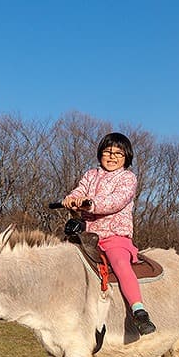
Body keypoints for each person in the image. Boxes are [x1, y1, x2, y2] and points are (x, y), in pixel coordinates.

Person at [62, 132, 156, 335]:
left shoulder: (127, 178)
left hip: (114, 236)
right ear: (100, 154)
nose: (112, 157)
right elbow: (80, 190)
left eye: (118, 153)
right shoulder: (91, 175)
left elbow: (117, 201)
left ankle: (138, 309)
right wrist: (71, 198)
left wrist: (91, 204)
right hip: (88, 236)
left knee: (120, 264)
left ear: (126, 157)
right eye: (107, 151)